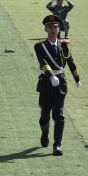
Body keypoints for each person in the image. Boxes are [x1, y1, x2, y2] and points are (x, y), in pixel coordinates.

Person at [34, 15, 81, 156]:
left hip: (60, 82)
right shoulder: (39, 46)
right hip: (46, 82)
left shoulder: (64, 44)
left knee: (58, 115)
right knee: (45, 115)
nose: (53, 30)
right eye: (50, 27)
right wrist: (51, 75)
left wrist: (77, 78)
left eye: (55, 27)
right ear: (45, 29)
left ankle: (57, 145)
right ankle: (45, 133)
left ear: (59, 28)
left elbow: (70, 61)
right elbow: (43, 62)